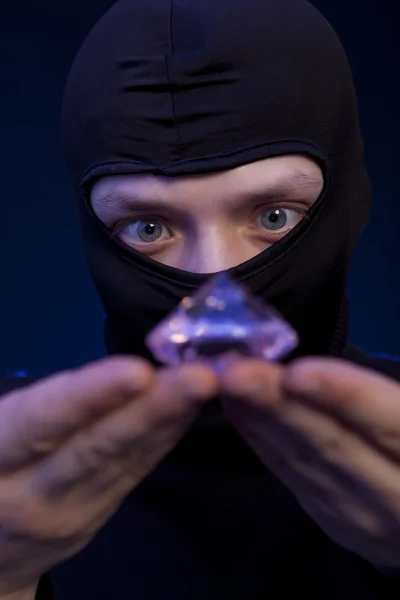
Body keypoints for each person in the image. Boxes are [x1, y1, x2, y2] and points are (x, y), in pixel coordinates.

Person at [1, 0, 400, 598]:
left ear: (349, 205)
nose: (215, 282)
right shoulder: (11, 465)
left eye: (273, 215)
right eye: (148, 228)